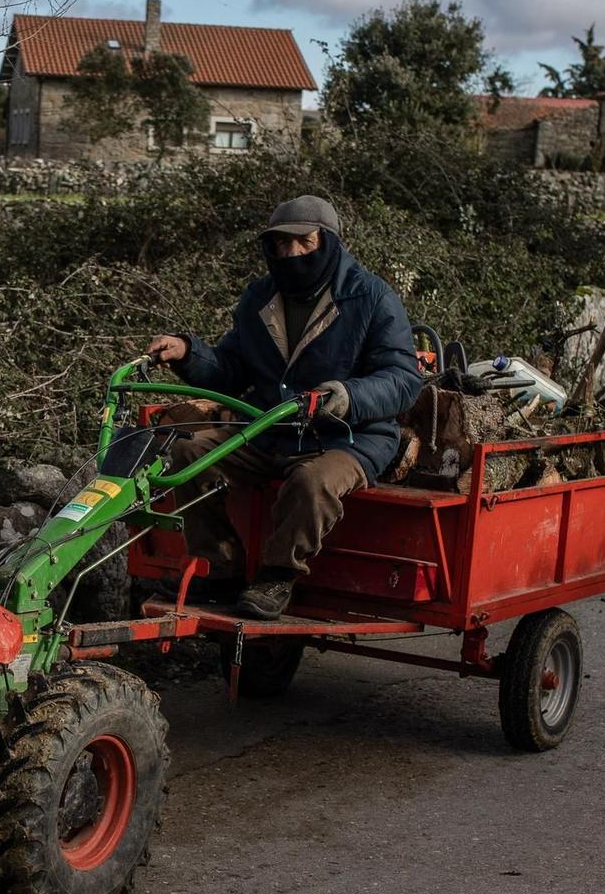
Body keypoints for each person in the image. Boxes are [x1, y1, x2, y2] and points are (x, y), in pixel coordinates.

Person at [146, 195, 421, 619]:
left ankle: (277, 575)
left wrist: (345, 397)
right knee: (189, 453)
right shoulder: (261, 297)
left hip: (347, 436)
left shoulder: (371, 296)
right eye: (280, 245)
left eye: (304, 243)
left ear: (328, 242)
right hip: (269, 429)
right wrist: (186, 352)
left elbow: (403, 380)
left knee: (313, 482)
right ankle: (220, 569)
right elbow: (231, 369)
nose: (291, 254)